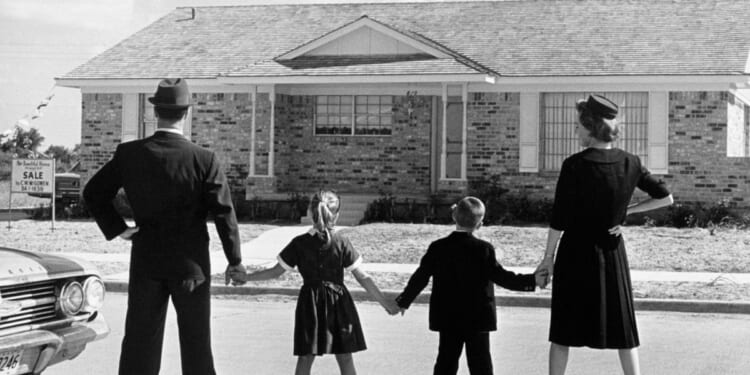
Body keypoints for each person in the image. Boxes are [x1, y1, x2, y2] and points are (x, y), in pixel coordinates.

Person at [83, 78, 247, 375]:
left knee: (139, 345)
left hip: (147, 261)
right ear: (186, 113)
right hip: (191, 266)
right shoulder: (204, 159)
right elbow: (225, 213)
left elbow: (93, 193)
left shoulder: (130, 154)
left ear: (155, 111)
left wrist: (118, 228)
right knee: (197, 347)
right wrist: (235, 261)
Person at [535, 94, 673, 375]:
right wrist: (627, 211)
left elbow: (559, 219)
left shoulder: (573, 165)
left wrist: (547, 258)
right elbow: (665, 197)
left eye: (577, 126)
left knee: (563, 331)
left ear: (589, 127)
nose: (575, 131)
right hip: (612, 253)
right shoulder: (630, 162)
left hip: (575, 254)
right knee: (624, 330)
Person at [238, 190, 399, 375]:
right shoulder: (342, 242)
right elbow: (362, 277)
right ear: (336, 215)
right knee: (345, 356)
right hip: (339, 304)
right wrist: (385, 303)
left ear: (310, 212)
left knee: (306, 357)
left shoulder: (299, 243)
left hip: (310, 304)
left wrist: (246, 277)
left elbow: (275, 271)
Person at [395, 196, 548, 375]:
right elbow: (503, 277)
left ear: (454, 217)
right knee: (481, 364)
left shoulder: (438, 248)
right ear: (479, 224)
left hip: (448, 317)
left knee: (446, 362)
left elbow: (420, 277)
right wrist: (532, 281)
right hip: (478, 318)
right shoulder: (484, 249)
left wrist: (404, 301)